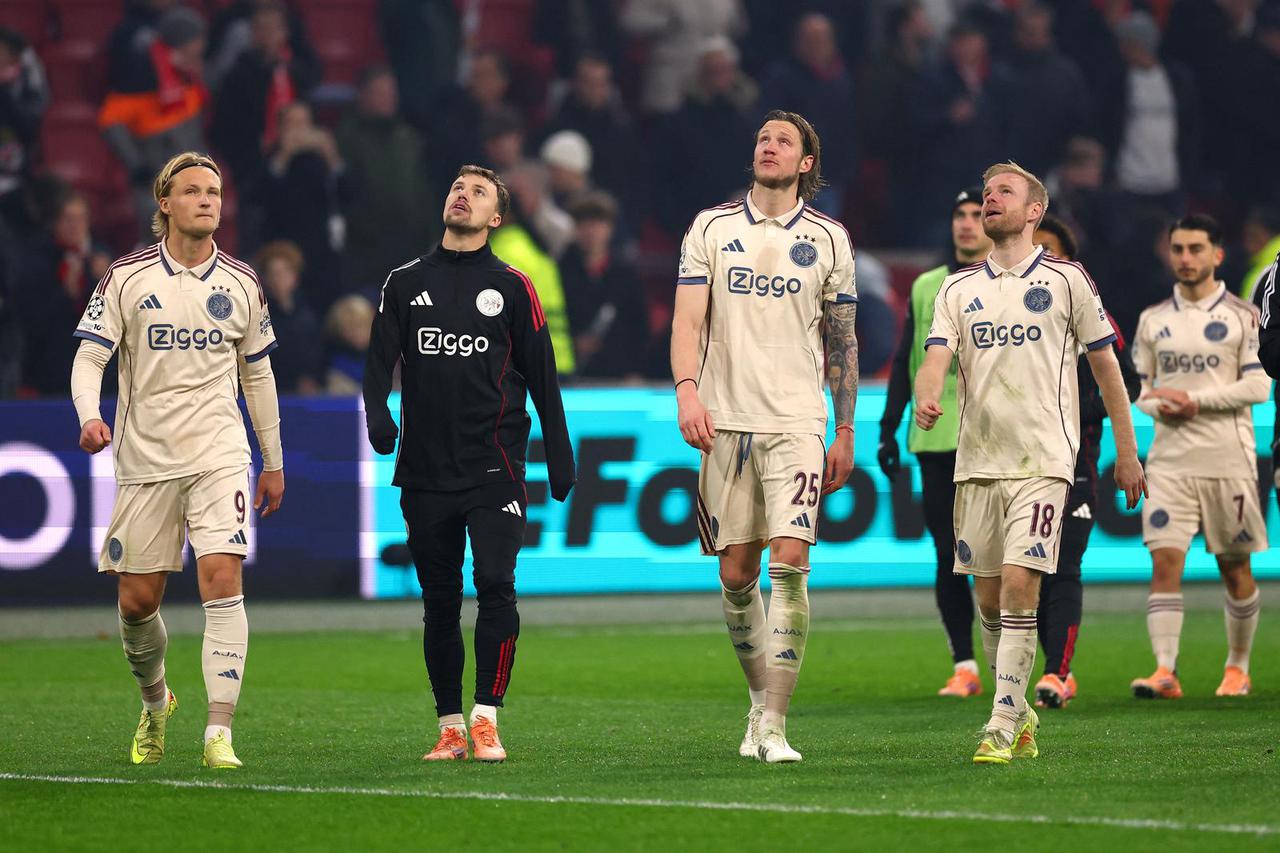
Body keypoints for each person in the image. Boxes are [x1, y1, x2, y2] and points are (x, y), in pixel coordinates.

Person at [914, 161, 1144, 765]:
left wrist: (1126, 449)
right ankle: (1018, 712)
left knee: (1021, 586)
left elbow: (1107, 369)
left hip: (1045, 461)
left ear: (1034, 211)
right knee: (989, 603)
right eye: (986, 192)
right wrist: (927, 389)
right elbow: (935, 354)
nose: (990, 199)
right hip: (977, 463)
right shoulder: (956, 288)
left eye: (1004, 192)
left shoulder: (1068, 279)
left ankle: (997, 724)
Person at [69, 152, 284, 769]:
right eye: (192, 191)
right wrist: (89, 413)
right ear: (164, 203)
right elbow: (90, 358)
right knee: (137, 602)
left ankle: (220, 733)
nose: (207, 201)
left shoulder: (242, 283)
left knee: (222, 577)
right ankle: (157, 700)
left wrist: (272, 458)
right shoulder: (127, 277)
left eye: (214, 191)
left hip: (220, 451)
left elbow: (259, 373)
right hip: (145, 458)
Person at [363, 165, 575, 763]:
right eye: (457, 187)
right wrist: (378, 414)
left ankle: (487, 717)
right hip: (426, 468)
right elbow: (379, 362)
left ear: (496, 217)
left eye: (479, 191)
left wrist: (559, 453)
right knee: (438, 601)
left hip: (496, 464)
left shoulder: (514, 286)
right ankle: (450, 726)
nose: (463, 194)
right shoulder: (404, 283)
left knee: (496, 585)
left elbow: (543, 377)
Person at [671, 110, 857, 763]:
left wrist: (845, 426)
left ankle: (776, 724)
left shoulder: (830, 238)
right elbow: (687, 322)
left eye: (783, 140)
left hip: (797, 422)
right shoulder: (712, 229)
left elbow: (842, 341)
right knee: (735, 572)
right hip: (725, 419)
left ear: (807, 162)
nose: (768, 146)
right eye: (762, 138)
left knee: (791, 561)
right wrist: (687, 389)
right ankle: (758, 703)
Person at [1129, 215, 1269, 700]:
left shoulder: (1244, 316)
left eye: (1195, 249)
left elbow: (1259, 385)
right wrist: (1158, 402)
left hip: (1227, 460)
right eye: (1178, 249)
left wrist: (1196, 401)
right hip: (1169, 463)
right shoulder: (1153, 320)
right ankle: (1165, 671)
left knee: (1235, 568)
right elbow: (1140, 391)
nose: (1186, 258)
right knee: (1164, 561)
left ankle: (1238, 667)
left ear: (1217, 255)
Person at [879, 187, 992, 699]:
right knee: (949, 554)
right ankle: (965, 665)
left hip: (995, 436)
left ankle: (1008, 661)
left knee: (997, 556)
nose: (967, 224)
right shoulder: (927, 285)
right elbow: (908, 358)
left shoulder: (1011, 284)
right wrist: (888, 426)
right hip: (937, 436)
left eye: (976, 214)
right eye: (959, 215)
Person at [1030, 215, 1140, 709]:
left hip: (1076, 460)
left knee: (1065, 563)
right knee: (1024, 571)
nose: (1042, 261)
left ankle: (1057, 672)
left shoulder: (1088, 308)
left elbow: (1129, 382)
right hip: (1018, 458)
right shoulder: (1006, 310)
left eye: (1051, 251)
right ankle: (1046, 667)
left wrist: (1078, 409)